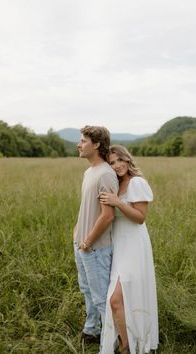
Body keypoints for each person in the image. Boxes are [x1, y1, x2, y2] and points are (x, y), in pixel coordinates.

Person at [100, 145, 159, 354]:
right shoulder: (115, 185)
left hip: (134, 245)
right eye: (112, 163)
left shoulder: (137, 183)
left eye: (119, 160)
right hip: (119, 247)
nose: (116, 166)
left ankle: (128, 347)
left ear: (127, 159)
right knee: (120, 299)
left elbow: (140, 218)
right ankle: (127, 342)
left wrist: (117, 203)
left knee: (116, 299)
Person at [73, 126, 119, 350]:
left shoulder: (106, 174)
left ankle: (111, 344)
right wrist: (77, 233)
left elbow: (107, 216)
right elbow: (87, 208)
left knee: (101, 298)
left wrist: (89, 241)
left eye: (83, 141)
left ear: (97, 145)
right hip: (81, 244)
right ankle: (92, 330)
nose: (78, 144)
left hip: (96, 247)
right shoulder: (89, 171)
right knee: (87, 290)